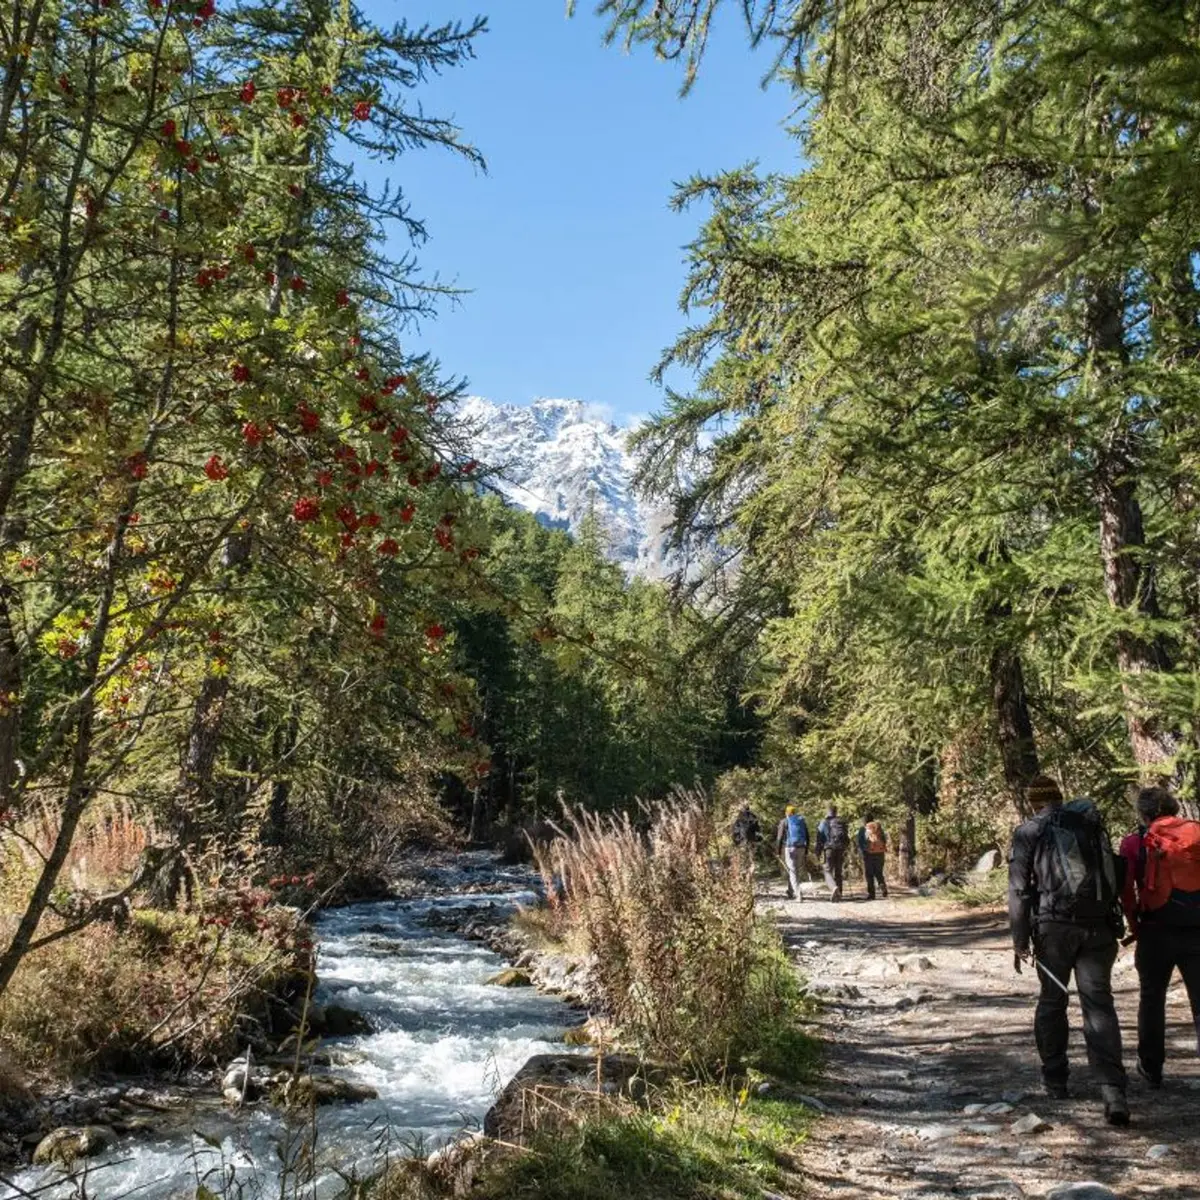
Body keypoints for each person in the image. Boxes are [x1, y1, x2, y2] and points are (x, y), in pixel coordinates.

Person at [1008, 774, 1129, 1125]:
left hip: (1054, 929)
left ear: (1033, 801)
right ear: (1059, 797)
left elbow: (1019, 889)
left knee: (1052, 1000)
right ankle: (1112, 1089)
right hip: (1098, 927)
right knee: (1099, 1003)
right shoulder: (1088, 823)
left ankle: (1056, 1080)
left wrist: (1019, 939)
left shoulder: (1029, 831)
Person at [1118, 785, 1200, 1089]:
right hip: (1196, 929)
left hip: (1155, 930)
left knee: (1152, 998)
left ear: (1144, 813)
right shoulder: (1195, 833)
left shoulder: (1134, 843)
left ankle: (1151, 1068)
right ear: (1173, 808)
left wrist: (1133, 923)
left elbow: (1126, 890)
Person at [775, 805, 809, 900]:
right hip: (801, 847)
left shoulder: (784, 821)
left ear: (787, 813)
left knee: (792, 871)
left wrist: (777, 851)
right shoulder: (801, 821)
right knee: (795, 871)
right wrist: (806, 850)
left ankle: (798, 894)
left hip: (790, 848)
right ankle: (791, 891)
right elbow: (807, 836)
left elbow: (779, 837)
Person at [816, 805, 848, 901]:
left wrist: (818, 851)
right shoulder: (841, 822)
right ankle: (840, 894)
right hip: (840, 848)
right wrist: (845, 848)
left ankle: (834, 887)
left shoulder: (824, 822)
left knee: (827, 870)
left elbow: (820, 837)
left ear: (828, 811)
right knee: (838, 871)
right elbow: (846, 837)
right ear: (836, 812)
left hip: (829, 848)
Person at [857, 816, 889, 900]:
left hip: (868, 854)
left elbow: (860, 842)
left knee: (869, 874)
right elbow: (884, 840)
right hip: (880, 853)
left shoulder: (863, 829)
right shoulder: (879, 828)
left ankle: (872, 894)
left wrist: (863, 851)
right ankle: (882, 885)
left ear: (865, 821)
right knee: (879, 872)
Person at [731, 803, 762, 874]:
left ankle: (746, 874)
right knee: (751, 859)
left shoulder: (739, 817)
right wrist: (758, 838)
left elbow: (735, 831)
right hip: (752, 840)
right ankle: (751, 872)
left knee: (744, 860)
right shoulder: (753, 817)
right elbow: (758, 829)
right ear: (749, 808)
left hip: (742, 842)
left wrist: (736, 842)